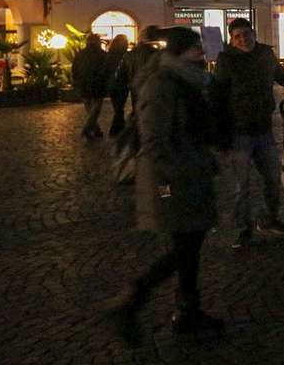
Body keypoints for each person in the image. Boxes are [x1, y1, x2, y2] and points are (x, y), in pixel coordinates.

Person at [105, 27, 227, 344]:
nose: (201, 54)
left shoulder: (186, 81)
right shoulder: (162, 84)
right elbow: (154, 140)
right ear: (179, 52)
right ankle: (132, 298)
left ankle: (187, 311)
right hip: (171, 180)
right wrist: (174, 176)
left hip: (189, 172)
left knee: (190, 245)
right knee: (183, 248)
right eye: (195, 49)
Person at [214, 18, 284, 249]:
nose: (243, 39)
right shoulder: (226, 59)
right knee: (241, 186)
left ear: (254, 32)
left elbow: (283, 77)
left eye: (246, 33)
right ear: (232, 39)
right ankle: (243, 229)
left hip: (262, 129)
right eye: (237, 36)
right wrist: (221, 133)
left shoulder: (265, 54)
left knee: (272, 178)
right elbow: (218, 95)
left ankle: (270, 218)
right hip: (238, 132)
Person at [72, 33, 110, 139]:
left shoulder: (80, 54)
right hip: (98, 84)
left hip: (83, 84)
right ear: (98, 42)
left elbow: (74, 69)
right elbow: (107, 70)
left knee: (89, 108)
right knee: (96, 108)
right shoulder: (103, 54)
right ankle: (89, 128)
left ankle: (93, 129)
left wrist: (76, 82)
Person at [104, 34, 131, 137]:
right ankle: (116, 129)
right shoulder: (126, 55)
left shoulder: (109, 55)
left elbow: (105, 70)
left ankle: (119, 127)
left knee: (117, 107)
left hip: (111, 84)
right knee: (120, 107)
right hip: (122, 84)